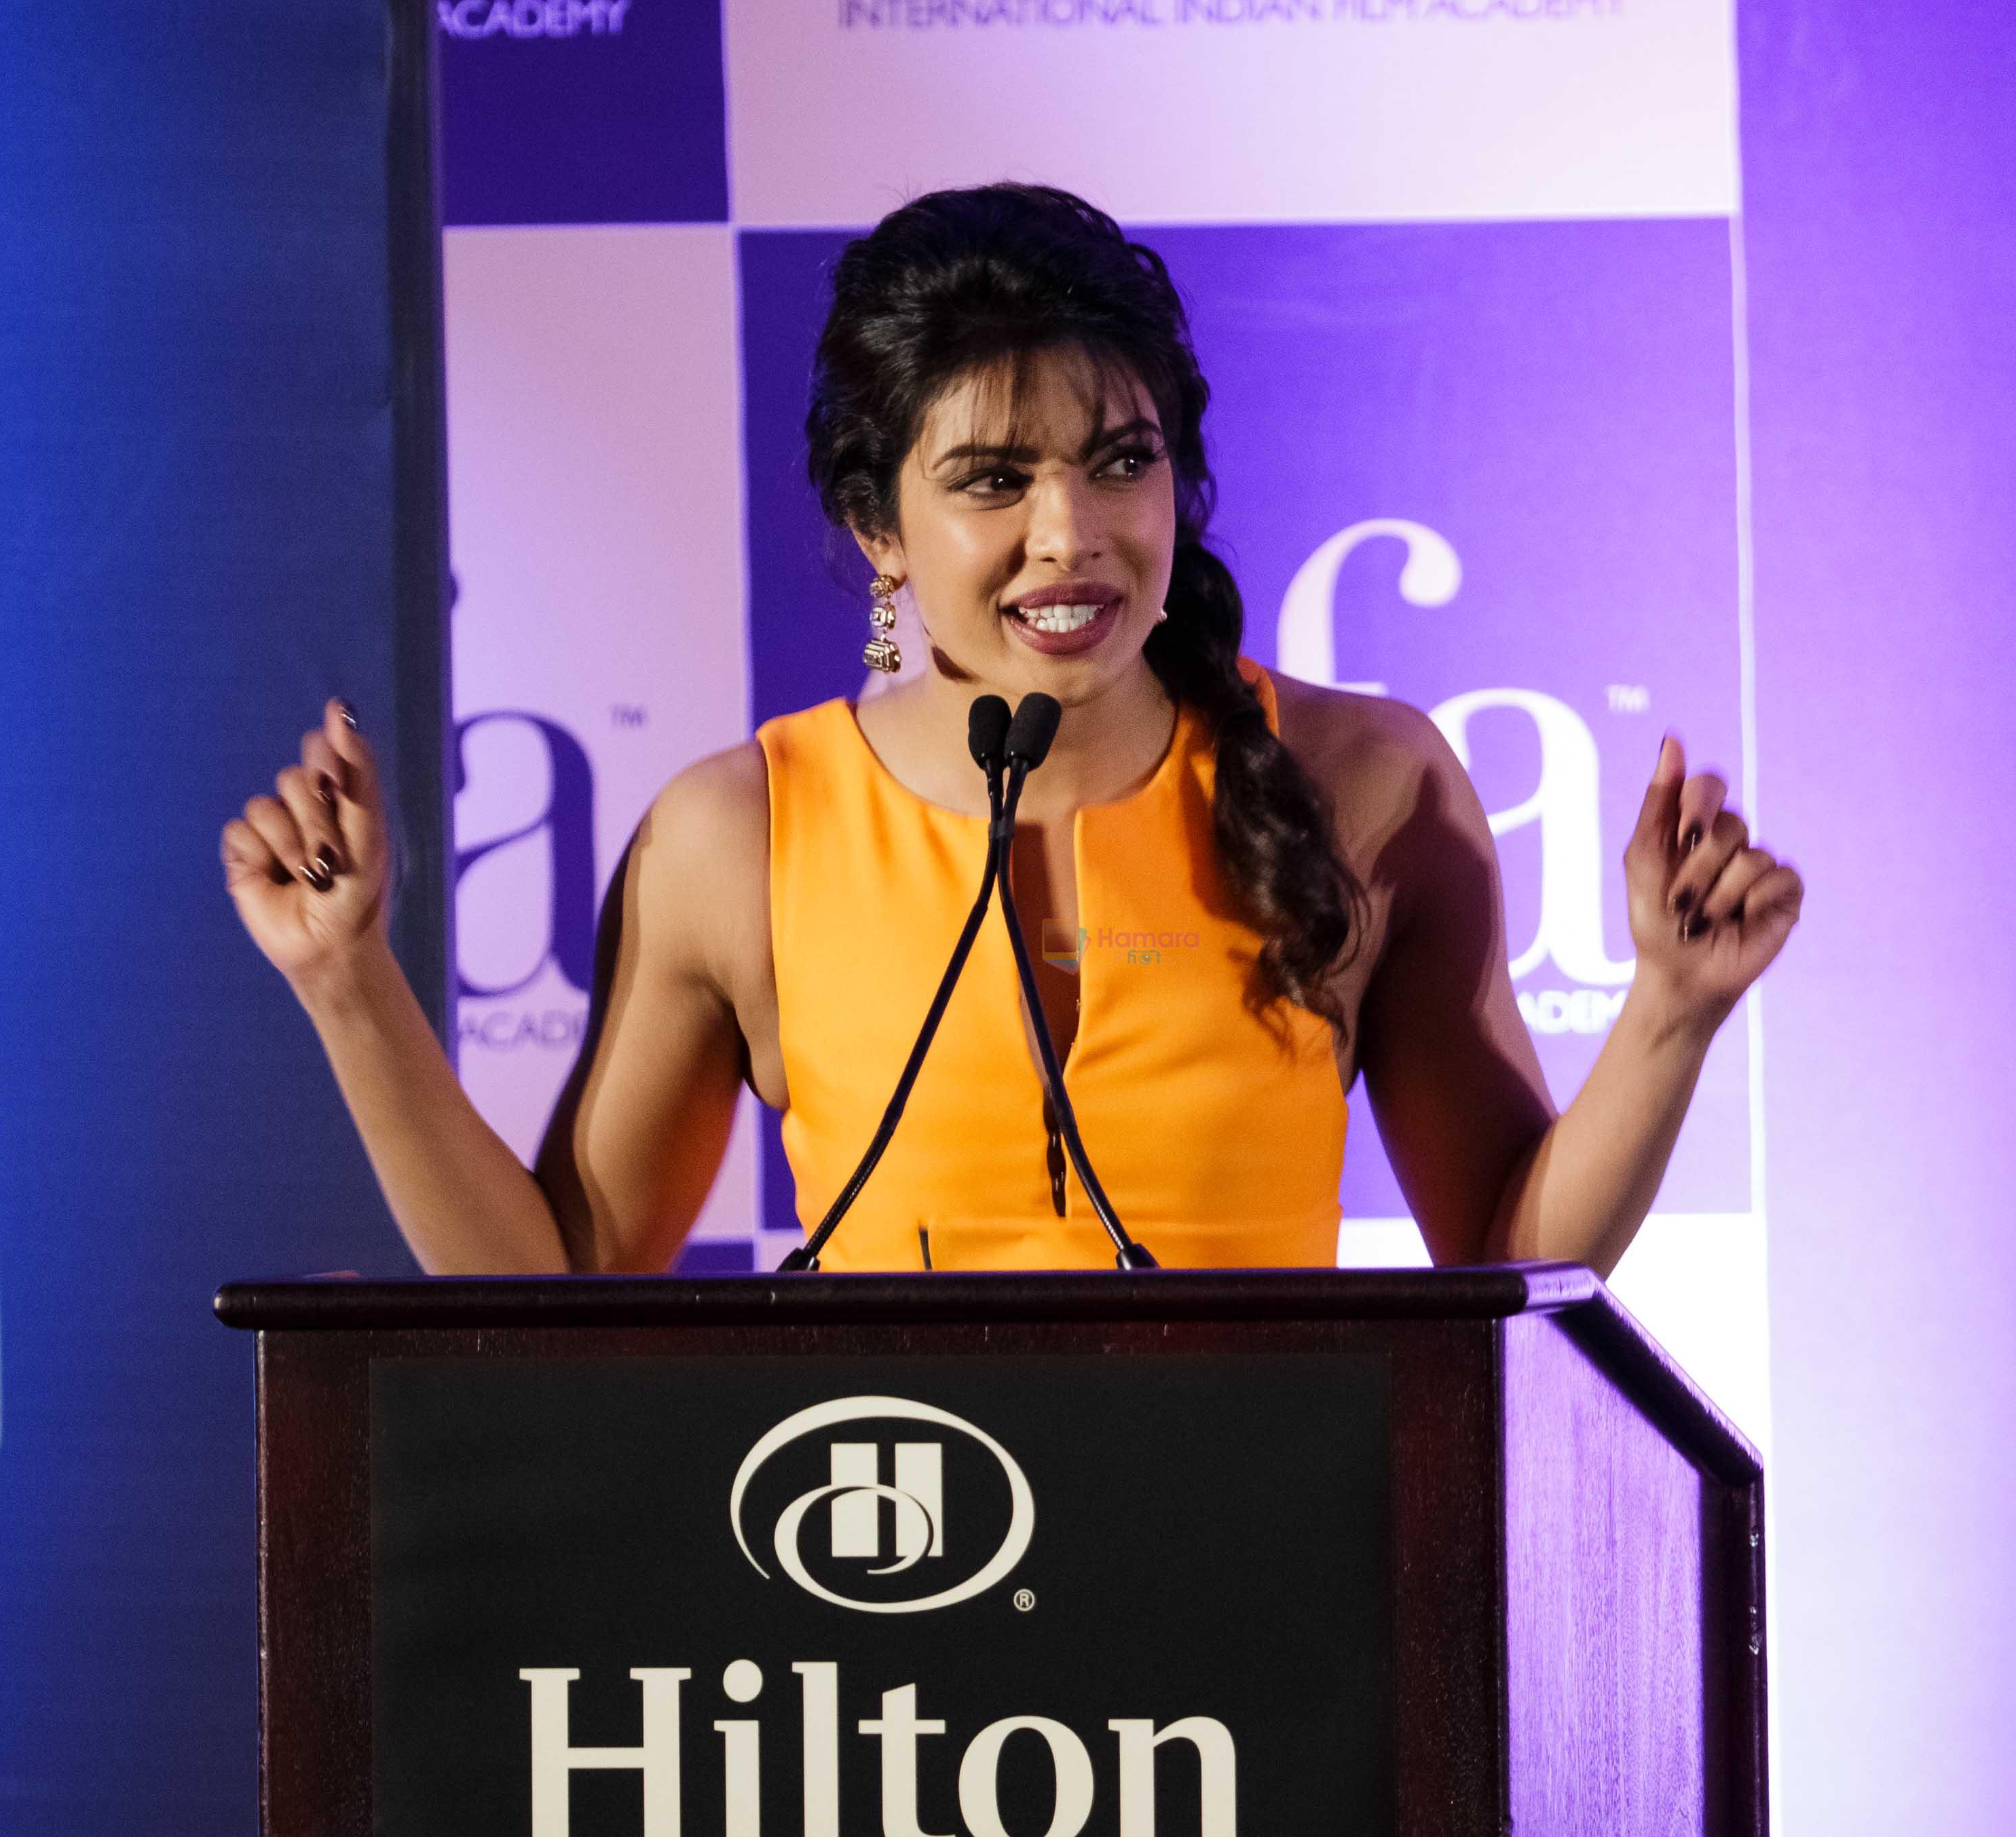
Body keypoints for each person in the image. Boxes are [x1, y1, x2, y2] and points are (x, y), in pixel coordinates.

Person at [223, 185, 1799, 1276]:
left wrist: (1670, 1009)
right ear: (878, 525)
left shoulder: (1367, 784)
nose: (1074, 535)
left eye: (1121, 462)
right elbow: (561, 1273)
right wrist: (347, 986)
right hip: (882, 1624)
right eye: (992, 483)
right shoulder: (738, 833)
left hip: (1269, 1622)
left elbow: (1511, 1261)